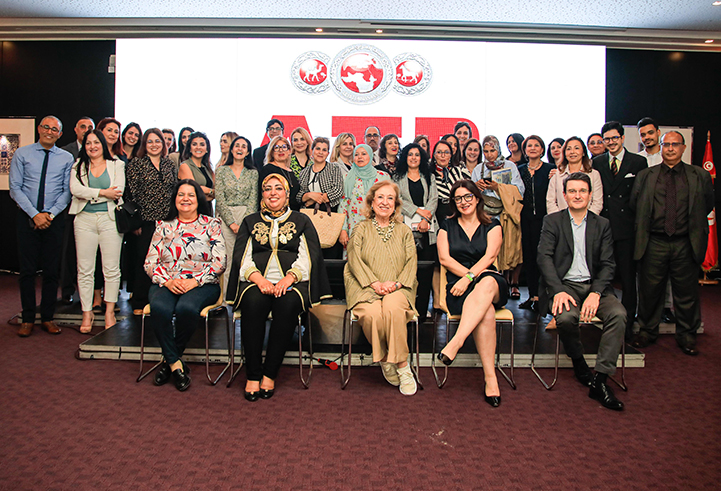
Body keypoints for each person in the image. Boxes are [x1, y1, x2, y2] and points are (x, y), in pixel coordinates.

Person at [227, 174, 330, 401]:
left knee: (287, 305)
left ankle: (270, 373)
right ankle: (253, 374)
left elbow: (308, 257)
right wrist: (259, 280)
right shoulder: (250, 221)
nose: (273, 193)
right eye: (267, 189)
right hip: (257, 282)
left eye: (278, 188)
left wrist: (289, 278)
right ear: (262, 194)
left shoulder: (302, 220)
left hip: (292, 283)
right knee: (252, 303)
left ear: (287, 194)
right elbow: (242, 257)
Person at [537, 172, 627, 411]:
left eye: (582, 191)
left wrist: (596, 293)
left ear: (590, 195)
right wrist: (557, 290)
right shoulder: (552, 221)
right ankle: (579, 363)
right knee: (566, 317)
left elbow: (608, 264)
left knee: (618, 315)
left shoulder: (602, 224)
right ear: (565, 195)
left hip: (595, 286)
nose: (577, 196)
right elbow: (544, 258)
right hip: (565, 286)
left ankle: (600, 379)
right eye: (572, 191)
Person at [630, 131, 715, 356]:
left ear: (683, 148)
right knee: (650, 290)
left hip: (685, 241)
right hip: (654, 241)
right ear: (660, 147)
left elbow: (706, 204)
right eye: (666, 144)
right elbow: (635, 204)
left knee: (686, 292)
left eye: (674, 144)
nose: (669, 148)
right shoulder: (646, 175)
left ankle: (687, 334)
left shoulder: (699, 175)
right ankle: (647, 331)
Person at [144, 179, 225, 392]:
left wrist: (194, 281)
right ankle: (175, 364)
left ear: (198, 199)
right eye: (181, 194)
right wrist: (168, 281)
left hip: (202, 284)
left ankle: (169, 361)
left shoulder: (212, 224)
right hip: (167, 282)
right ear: (175, 199)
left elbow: (220, 263)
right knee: (159, 308)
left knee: (186, 309)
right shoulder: (163, 226)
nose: (185, 199)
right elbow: (150, 263)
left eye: (190, 194)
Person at [436, 180, 507, 407]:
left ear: (477, 198)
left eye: (468, 196)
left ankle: (456, 342)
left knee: (486, 283)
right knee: (486, 312)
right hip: (457, 287)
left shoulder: (493, 224)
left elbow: (490, 257)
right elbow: (445, 259)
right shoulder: (447, 226)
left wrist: (468, 278)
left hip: (490, 283)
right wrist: (466, 279)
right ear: (453, 202)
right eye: (458, 198)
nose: (464, 202)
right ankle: (490, 378)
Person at [344, 180, 419, 396]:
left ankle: (402, 365)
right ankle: (385, 358)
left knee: (393, 309)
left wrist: (395, 284)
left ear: (396, 204)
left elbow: (411, 262)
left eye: (390, 198)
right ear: (372, 202)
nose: (385, 202)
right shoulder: (361, 228)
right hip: (364, 285)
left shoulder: (404, 230)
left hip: (399, 286)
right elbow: (354, 259)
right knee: (373, 314)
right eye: (380, 197)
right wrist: (374, 283)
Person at [10, 115, 74, 337]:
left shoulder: (66, 158)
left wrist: (50, 214)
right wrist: (35, 215)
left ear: (60, 134)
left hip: (54, 220)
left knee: (51, 271)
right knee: (27, 271)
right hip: (27, 218)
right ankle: (28, 318)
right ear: (39, 129)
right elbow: (15, 188)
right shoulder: (22, 154)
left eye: (54, 129)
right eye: (46, 127)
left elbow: (67, 191)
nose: (49, 131)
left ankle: (47, 317)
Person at [592, 121, 648, 339]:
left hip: (626, 228)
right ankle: (604, 319)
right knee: (602, 276)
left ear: (623, 138)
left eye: (614, 138)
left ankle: (628, 324)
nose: (611, 142)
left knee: (627, 278)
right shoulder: (597, 162)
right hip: (603, 228)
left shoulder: (638, 162)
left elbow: (642, 196)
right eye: (607, 139)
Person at [69, 129, 125, 332]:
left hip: (110, 220)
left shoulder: (116, 164)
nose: (92, 146)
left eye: (96, 142)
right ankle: (87, 313)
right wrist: (102, 192)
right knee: (85, 269)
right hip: (84, 219)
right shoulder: (78, 165)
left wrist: (90, 194)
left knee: (111, 269)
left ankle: (109, 311)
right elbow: (75, 190)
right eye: (88, 143)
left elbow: (117, 191)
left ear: (103, 144)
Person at [125, 128, 178, 315]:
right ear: (144, 144)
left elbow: (174, 191)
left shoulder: (169, 164)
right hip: (145, 221)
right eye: (150, 141)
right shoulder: (136, 163)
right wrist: (136, 223)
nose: (154, 145)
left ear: (163, 144)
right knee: (144, 260)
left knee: (165, 260)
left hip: (167, 221)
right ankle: (140, 301)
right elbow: (131, 194)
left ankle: (159, 300)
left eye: (158, 141)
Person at [471, 135, 525, 300]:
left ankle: (511, 284)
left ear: (499, 150)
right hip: (485, 214)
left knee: (509, 249)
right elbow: (470, 194)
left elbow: (520, 190)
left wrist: (498, 187)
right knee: (488, 249)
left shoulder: (510, 166)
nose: (489, 155)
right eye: (486, 151)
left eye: (492, 151)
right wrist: (476, 187)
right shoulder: (479, 169)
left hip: (505, 214)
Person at [394, 143, 438, 320]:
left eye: (417, 155)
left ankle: (422, 308)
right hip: (406, 230)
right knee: (407, 271)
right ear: (405, 157)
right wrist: (418, 211)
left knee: (425, 272)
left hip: (427, 229)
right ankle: (408, 307)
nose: (413, 158)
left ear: (422, 158)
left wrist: (426, 219)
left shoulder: (429, 176)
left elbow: (434, 199)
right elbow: (398, 199)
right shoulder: (397, 177)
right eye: (410, 154)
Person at [215, 136, 258, 293]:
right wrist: (232, 223)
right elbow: (220, 199)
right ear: (232, 149)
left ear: (247, 152)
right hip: (226, 218)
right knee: (228, 259)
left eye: (243, 146)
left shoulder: (253, 173)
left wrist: (245, 224)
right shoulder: (221, 171)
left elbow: (253, 199)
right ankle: (227, 297)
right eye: (237, 145)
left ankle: (243, 296)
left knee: (245, 258)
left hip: (247, 217)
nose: (240, 149)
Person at [431, 139, 471, 312]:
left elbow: (469, 191)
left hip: (456, 215)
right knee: (436, 260)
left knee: (453, 257)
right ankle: (437, 300)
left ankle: (454, 298)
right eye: (439, 152)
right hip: (436, 216)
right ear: (434, 155)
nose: (443, 155)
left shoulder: (459, 170)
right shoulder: (429, 173)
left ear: (451, 154)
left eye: (446, 152)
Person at [59, 116, 94, 304]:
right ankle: (66, 291)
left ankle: (90, 294)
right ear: (75, 129)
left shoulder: (98, 151)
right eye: (83, 126)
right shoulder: (65, 152)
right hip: (70, 208)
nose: (86, 130)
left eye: (90, 127)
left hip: (93, 209)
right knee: (68, 252)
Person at [518, 135, 554, 310]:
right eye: (529, 145)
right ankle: (533, 295)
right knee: (529, 258)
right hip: (524, 219)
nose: (532, 148)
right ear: (525, 150)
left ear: (542, 149)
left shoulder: (550, 169)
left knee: (544, 258)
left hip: (545, 220)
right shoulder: (519, 170)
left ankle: (545, 297)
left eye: (536, 145)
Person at [338, 144, 390, 249]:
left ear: (370, 156)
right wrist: (343, 230)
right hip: (354, 227)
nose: (360, 157)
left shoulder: (383, 177)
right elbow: (343, 205)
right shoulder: (347, 178)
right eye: (356, 154)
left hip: (379, 227)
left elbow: (391, 203)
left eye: (363, 154)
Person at [547, 136, 603, 215]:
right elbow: (551, 202)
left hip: (588, 220)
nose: (572, 152)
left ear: (583, 152)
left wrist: (586, 220)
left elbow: (597, 203)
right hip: (560, 220)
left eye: (576, 148)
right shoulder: (557, 175)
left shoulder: (594, 174)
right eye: (568, 149)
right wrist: (559, 220)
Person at [258, 135, 301, 211]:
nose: (281, 150)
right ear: (272, 152)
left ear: (289, 151)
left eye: (284, 147)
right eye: (277, 148)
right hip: (275, 213)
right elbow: (262, 195)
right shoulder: (268, 169)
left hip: (293, 213)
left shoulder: (291, 172)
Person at [179, 132, 215, 201]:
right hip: (192, 206)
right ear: (190, 148)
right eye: (194, 144)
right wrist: (210, 192)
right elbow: (193, 189)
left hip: (207, 206)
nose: (198, 147)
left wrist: (207, 191)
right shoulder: (185, 166)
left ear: (206, 149)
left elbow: (218, 191)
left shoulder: (208, 168)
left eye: (202, 144)